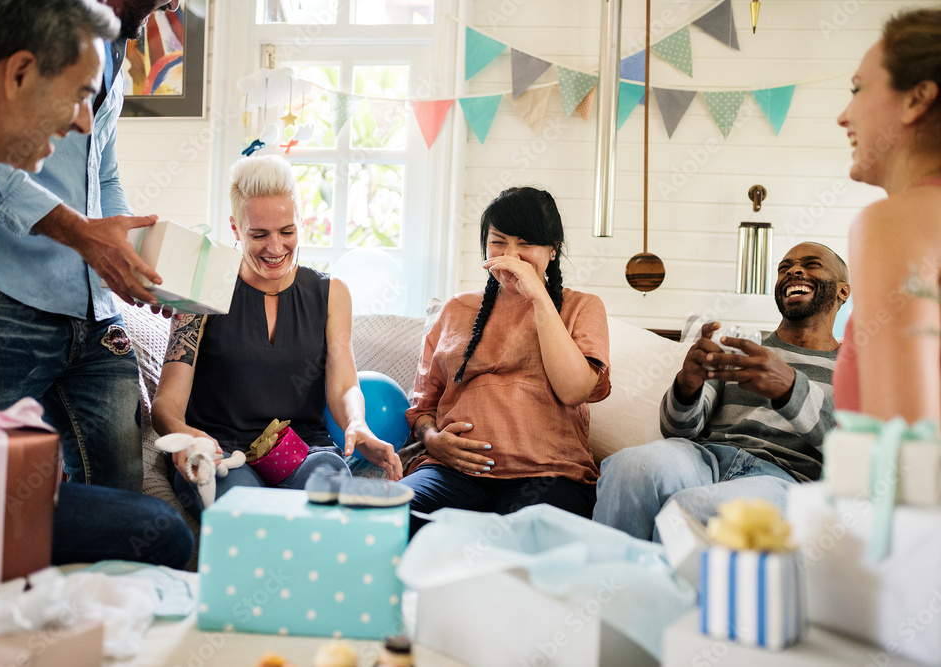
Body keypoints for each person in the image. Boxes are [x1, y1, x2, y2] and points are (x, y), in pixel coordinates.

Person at [0, 0, 191, 568]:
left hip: (96, 315)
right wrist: (82, 236)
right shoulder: (19, 47)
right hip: (13, 298)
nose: (83, 118)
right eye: (77, 96)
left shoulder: (111, 50)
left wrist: (128, 254)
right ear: (21, 73)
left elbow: (101, 173)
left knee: (140, 525)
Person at [151, 155, 402, 517]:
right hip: (221, 454)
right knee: (246, 508)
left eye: (287, 231)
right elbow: (166, 404)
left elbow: (344, 385)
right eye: (258, 234)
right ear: (236, 229)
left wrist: (357, 423)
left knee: (330, 486)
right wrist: (185, 436)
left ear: (301, 223)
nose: (275, 248)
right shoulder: (203, 288)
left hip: (303, 452)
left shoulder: (332, 293)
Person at [593, 243, 850, 541]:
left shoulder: (855, 367)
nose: (793, 270)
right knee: (628, 468)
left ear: (843, 291)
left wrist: (790, 389)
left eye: (811, 264)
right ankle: (609, 584)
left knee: (692, 511)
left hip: (783, 479)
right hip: (705, 457)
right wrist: (687, 383)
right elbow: (679, 430)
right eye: (784, 267)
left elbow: (853, 449)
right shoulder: (740, 346)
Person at [403, 187, 611, 536]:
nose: (510, 256)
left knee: (519, 543)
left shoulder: (582, 307)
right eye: (498, 242)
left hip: (548, 475)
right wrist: (434, 439)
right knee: (387, 518)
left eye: (524, 243)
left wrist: (539, 298)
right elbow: (423, 407)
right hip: (453, 473)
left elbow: (574, 390)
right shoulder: (456, 309)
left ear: (553, 249)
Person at [834, 9, 941, 423]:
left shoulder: (892, 222)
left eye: (858, 89)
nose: (843, 115)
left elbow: (902, 457)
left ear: (916, 98)